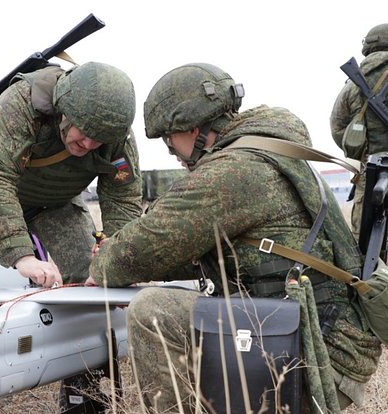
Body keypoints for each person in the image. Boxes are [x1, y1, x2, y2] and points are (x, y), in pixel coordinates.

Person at [87, 63, 382, 413]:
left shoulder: (235, 170)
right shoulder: (270, 151)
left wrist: (106, 263)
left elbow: (141, 248)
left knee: (153, 311)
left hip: (316, 357)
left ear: (192, 128)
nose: (171, 151)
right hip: (324, 341)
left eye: (169, 139)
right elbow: (212, 250)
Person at [0, 61, 143, 289]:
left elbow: (122, 199)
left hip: (57, 202)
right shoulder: (21, 102)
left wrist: (116, 261)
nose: (89, 144)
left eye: (98, 138)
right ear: (64, 112)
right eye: (84, 131)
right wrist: (22, 256)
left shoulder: (116, 133)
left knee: (92, 277)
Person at [330, 23, 388, 239]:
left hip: (372, 173)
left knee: (366, 247)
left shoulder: (356, 82)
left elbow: (338, 128)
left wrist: (364, 150)